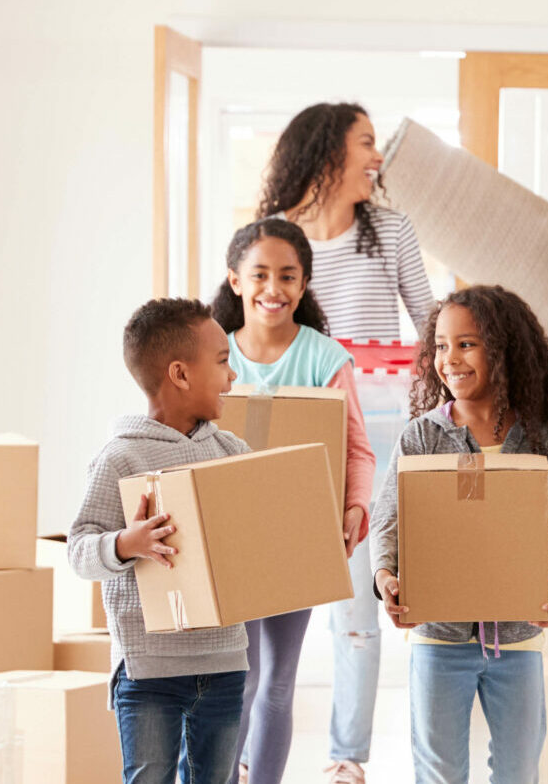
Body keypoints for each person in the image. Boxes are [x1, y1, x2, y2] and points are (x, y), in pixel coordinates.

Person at [259, 102, 434, 784]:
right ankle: (253, 745)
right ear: (328, 151)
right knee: (271, 590)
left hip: (381, 426)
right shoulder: (274, 244)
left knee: (358, 596)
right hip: (298, 427)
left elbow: (430, 325)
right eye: (365, 143)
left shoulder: (389, 231)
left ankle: (345, 756)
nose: (377, 156)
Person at [370, 285, 548, 784]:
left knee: (519, 770)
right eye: (441, 346)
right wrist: (386, 577)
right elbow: (389, 519)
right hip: (438, 640)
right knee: (440, 771)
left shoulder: (539, 439)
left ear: (503, 349)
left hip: (518, 639)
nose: (450, 359)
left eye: (466, 344)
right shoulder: (421, 437)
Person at [212, 219, 379, 784]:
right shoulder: (213, 353)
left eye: (287, 276)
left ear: (304, 284)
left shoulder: (326, 358)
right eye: (259, 274)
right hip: (230, 539)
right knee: (242, 677)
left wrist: (356, 508)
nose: (273, 288)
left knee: (277, 681)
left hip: (298, 539)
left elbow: (357, 449)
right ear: (235, 280)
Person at [68, 297, 251, 784]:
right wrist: (128, 544)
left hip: (225, 661)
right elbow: (79, 550)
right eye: (222, 361)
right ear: (180, 374)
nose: (232, 377)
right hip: (148, 670)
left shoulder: (234, 454)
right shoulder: (119, 459)